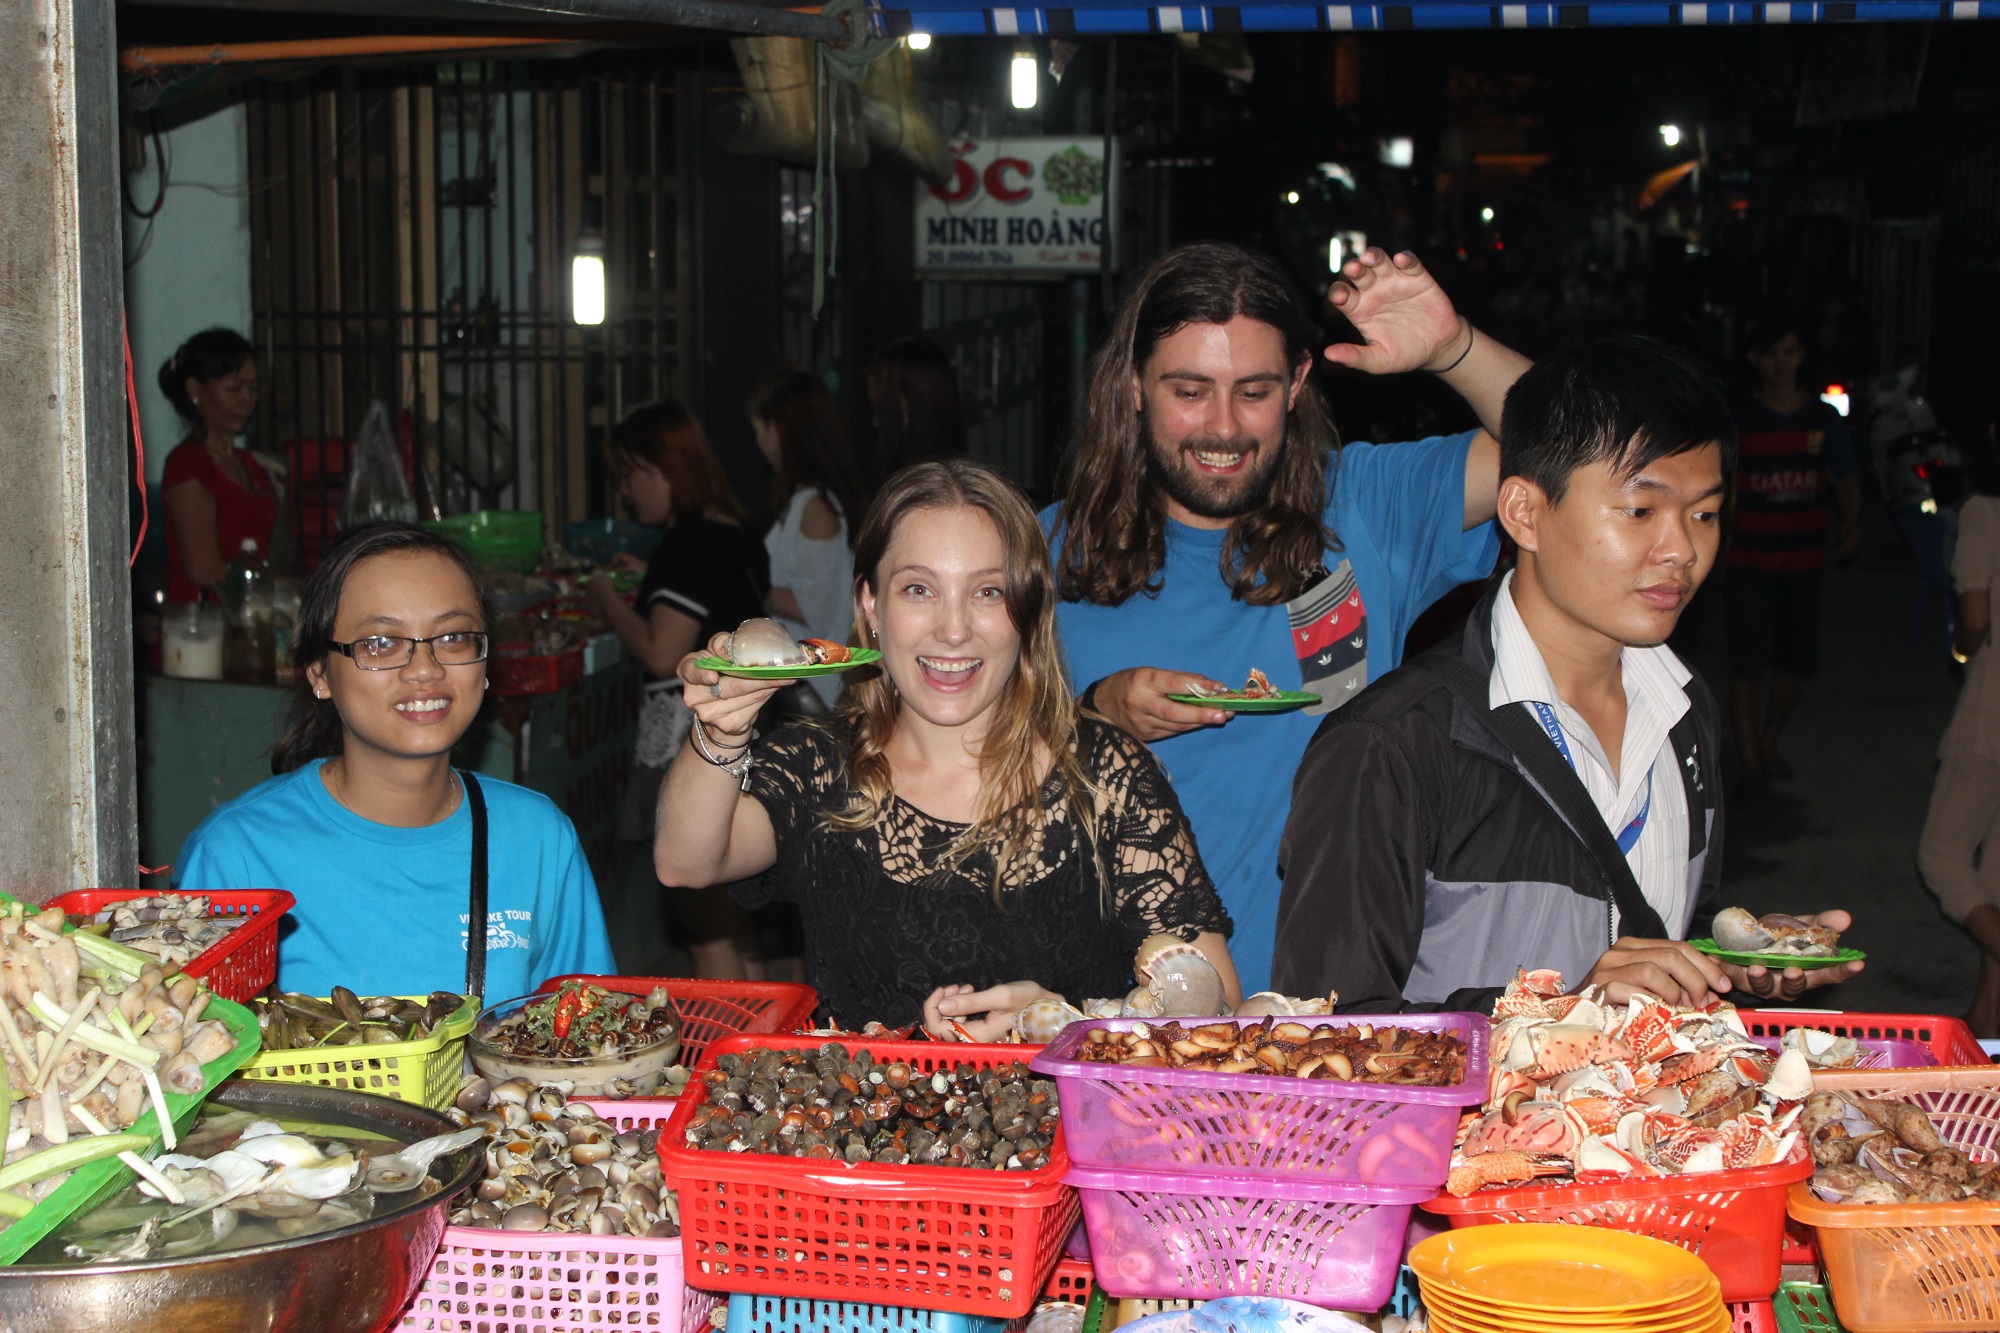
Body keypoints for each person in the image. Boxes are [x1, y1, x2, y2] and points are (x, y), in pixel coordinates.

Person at [1271, 337, 1861, 1012]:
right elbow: (1323, 1033)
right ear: (1524, 513)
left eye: (1703, 514)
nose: (1682, 549)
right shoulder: (1392, 744)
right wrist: (1567, 1011)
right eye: (1640, 511)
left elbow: (1670, 935)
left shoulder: (1684, 709)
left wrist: (1734, 961)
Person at [1047, 243, 1532, 994]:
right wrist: (1089, 717)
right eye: (1189, 391)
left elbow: (1584, 450)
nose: (1223, 428)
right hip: (1113, 1018)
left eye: (1254, 391)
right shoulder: (1038, 554)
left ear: (1298, 383)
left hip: (1341, 1011)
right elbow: (950, 777)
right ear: (1134, 386)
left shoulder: (1366, 506)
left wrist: (1456, 350)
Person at [654, 458, 1240, 1036]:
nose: (953, 630)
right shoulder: (818, 766)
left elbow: (1217, 1010)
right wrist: (721, 732)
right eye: (919, 589)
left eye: (988, 591)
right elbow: (685, 863)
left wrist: (1068, 1026)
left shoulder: (1107, 775)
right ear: (871, 605)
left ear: (1028, 609)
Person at [173, 522, 614, 996]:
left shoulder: (537, 839)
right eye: (380, 643)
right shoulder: (237, 856)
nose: (424, 669)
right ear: (319, 673)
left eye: (453, 637)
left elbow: (592, 1028)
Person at [584, 401, 771, 980]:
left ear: (663, 470)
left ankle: (732, 1039)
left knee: (705, 930)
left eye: (630, 473)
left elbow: (663, 652)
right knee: (738, 931)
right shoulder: (737, 534)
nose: (626, 492)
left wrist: (605, 595)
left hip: (700, 743)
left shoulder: (685, 545)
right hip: (750, 737)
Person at [1725, 316, 1862, 784]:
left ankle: (1769, 742)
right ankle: (1749, 759)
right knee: (1745, 664)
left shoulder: (1822, 419)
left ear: (1802, 356)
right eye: (1771, 353)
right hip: (1747, 562)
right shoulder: (1740, 420)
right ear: (1755, 359)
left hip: (1803, 564)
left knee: (1793, 663)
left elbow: (1846, 476)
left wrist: (1851, 524)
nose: (1780, 362)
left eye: (1789, 351)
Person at [1918, 474, 2000, 1037]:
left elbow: (1974, 622)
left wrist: (1962, 650)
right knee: (1994, 875)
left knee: (1942, 854)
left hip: (1992, 711)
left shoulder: (1985, 510)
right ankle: (1988, 1019)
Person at [749, 371, 870, 708]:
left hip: (817, 689)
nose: (760, 443)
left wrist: (741, 578)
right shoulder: (806, 502)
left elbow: (812, 608)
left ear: (780, 432)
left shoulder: (816, 508)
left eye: (761, 430)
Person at [159, 329, 278, 603]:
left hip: (249, 612)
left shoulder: (250, 465)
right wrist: (279, 584)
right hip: (205, 618)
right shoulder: (188, 465)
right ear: (195, 391)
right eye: (234, 389)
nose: (246, 400)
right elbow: (203, 569)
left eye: (253, 389)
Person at [866, 337, 965, 483]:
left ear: (906, 406)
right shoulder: (963, 477)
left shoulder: (925, 484)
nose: (876, 421)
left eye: (882, 409)